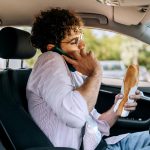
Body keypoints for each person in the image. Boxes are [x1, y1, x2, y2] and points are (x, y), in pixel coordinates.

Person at [26, 8, 150, 150]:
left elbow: (95, 123)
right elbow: (76, 118)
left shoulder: (72, 74)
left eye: (81, 38)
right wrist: (95, 73)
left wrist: (118, 107)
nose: (82, 45)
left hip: (105, 144)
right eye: (74, 41)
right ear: (52, 48)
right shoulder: (50, 60)